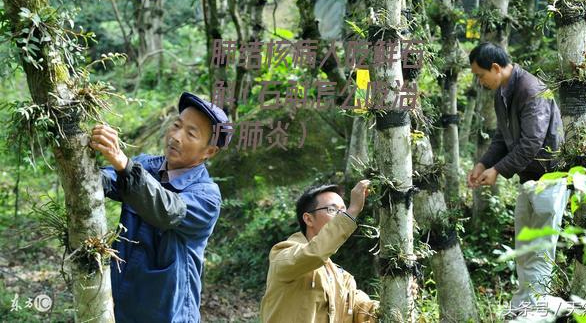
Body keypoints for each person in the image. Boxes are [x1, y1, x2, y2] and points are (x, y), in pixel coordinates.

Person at [90, 92, 231, 322]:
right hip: (121, 306)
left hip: (168, 314)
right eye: (177, 125)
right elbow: (103, 180)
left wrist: (123, 163)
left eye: (191, 133)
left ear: (209, 151)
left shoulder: (207, 196)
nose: (176, 136)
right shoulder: (147, 165)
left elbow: (168, 209)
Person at [466, 43, 568, 313]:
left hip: (551, 179)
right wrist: (483, 163)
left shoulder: (531, 89)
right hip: (528, 180)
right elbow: (503, 137)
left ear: (496, 68)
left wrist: (498, 170)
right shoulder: (502, 92)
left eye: (480, 74)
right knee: (524, 247)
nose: (479, 81)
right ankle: (525, 306)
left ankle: (536, 308)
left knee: (541, 249)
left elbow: (531, 142)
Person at [260, 181, 378, 323]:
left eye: (343, 211)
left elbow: (365, 311)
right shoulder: (283, 255)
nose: (341, 216)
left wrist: (401, 294)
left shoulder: (342, 278)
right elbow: (314, 253)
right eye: (332, 210)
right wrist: (352, 211)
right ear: (308, 219)